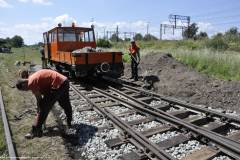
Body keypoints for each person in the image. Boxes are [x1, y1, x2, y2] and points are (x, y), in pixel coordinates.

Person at [16, 69, 72, 139]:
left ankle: (35, 131)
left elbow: (39, 99)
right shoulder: (31, 78)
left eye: (24, 89)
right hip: (64, 81)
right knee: (65, 103)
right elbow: (42, 94)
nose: (26, 90)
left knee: (44, 106)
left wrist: (39, 108)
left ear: (23, 84)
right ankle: (69, 122)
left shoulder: (31, 83)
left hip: (58, 84)